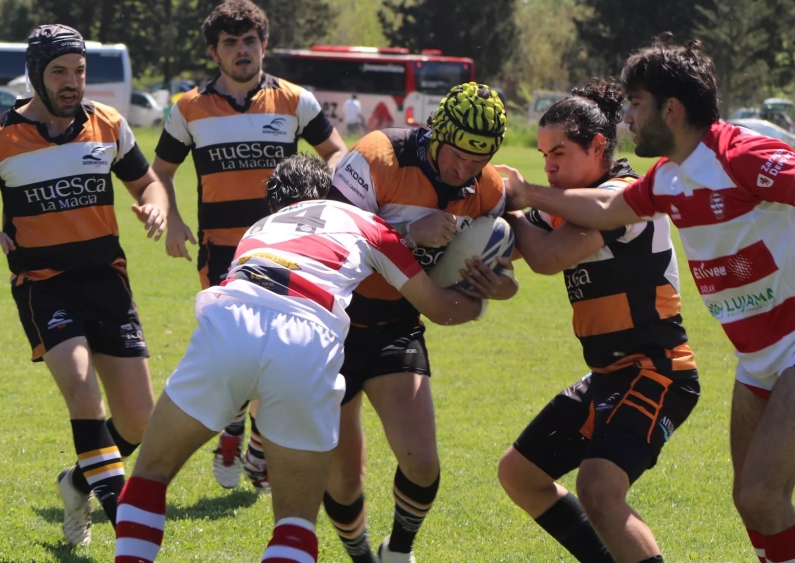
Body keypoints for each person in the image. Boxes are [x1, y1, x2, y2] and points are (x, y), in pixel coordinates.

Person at [500, 34, 795, 563]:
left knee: (760, 496)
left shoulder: (742, 155)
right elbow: (605, 210)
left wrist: (524, 200)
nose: (628, 119)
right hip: (756, 361)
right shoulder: (667, 178)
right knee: (751, 503)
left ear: (671, 109)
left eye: (636, 104)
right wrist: (523, 195)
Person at [115, 154, 485, 563]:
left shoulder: (260, 227)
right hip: (308, 336)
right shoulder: (369, 224)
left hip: (234, 317)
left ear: (276, 203)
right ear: (330, 192)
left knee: (149, 475)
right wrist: (480, 296)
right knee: (294, 523)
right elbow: (438, 308)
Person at [0, 24, 174, 548]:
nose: (72, 82)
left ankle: (76, 482)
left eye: (79, 71)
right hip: (43, 284)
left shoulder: (108, 124)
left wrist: (156, 207)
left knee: (138, 421)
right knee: (82, 390)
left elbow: (148, 183)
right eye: (59, 72)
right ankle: (127, 527)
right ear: (35, 75)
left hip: (107, 282)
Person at [496, 79, 700, 563]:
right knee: (520, 474)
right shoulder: (569, 201)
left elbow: (546, 256)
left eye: (559, 154)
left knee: (599, 487)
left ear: (597, 146)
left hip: (657, 371)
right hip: (610, 375)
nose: (548, 166)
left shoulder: (624, 196)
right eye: (543, 155)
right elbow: (511, 245)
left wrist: (517, 206)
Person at [152, 0, 347, 494]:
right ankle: (236, 434)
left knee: (281, 351)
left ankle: (253, 445)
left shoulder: (295, 100)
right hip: (223, 251)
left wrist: (322, 202)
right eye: (231, 43)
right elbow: (162, 172)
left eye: (250, 41)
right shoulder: (188, 108)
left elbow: (337, 153)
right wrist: (172, 219)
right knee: (232, 349)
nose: (242, 50)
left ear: (264, 44)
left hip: (289, 251)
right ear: (214, 52)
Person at [325, 82, 518, 563]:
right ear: (437, 133)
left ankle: (398, 552)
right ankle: (361, 556)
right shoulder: (377, 156)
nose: (463, 170)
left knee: (423, 463)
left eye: (478, 161)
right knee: (344, 479)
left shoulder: (488, 189)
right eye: (457, 156)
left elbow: (501, 270)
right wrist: (410, 233)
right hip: (333, 324)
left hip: (396, 325)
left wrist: (499, 287)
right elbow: (329, 240)